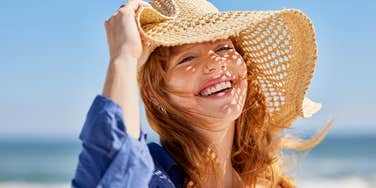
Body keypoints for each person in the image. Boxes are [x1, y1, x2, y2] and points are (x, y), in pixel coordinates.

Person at [71, 0, 333, 187]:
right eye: (187, 58)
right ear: (154, 94)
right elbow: (111, 175)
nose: (214, 63)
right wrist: (124, 57)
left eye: (224, 48)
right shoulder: (154, 177)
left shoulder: (272, 183)